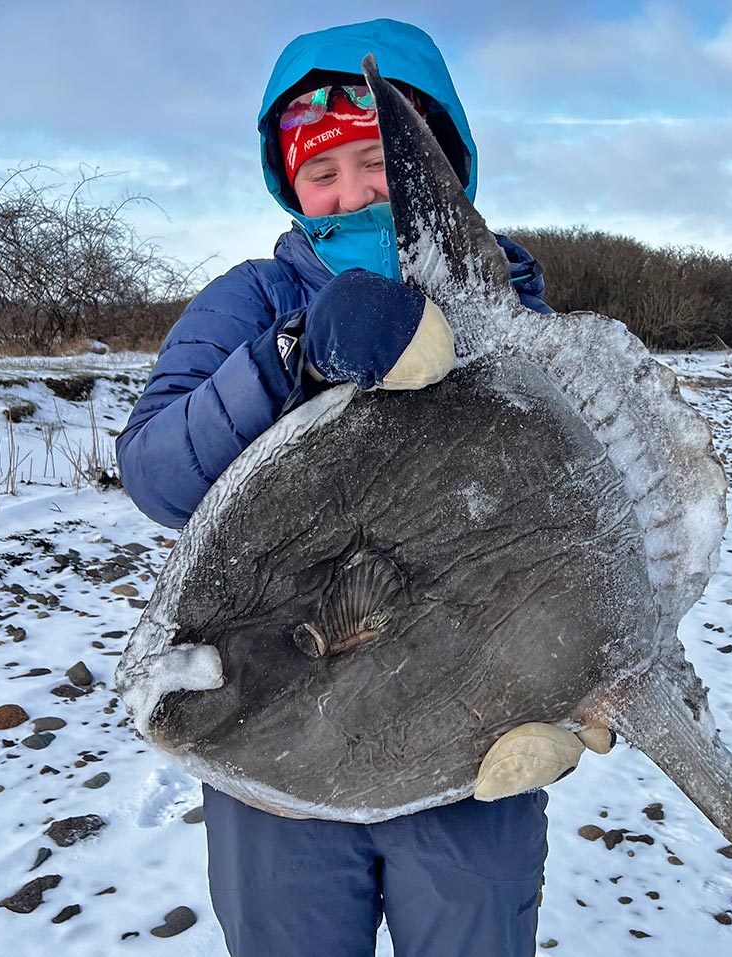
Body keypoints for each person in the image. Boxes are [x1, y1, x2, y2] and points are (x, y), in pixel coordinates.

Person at [117, 18, 611, 956]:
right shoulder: (253, 299)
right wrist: (294, 357)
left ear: (441, 159)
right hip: (273, 748)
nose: (352, 191)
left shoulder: (510, 307)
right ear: (290, 185)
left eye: (377, 160)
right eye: (322, 172)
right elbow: (154, 471)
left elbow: (570, 505)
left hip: (468, 737)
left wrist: (585, 675)